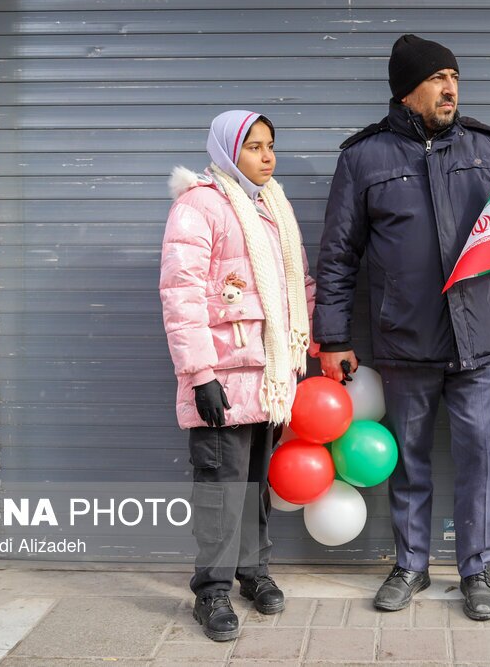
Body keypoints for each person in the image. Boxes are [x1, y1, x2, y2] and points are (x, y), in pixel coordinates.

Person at [313, 34, 490, 621]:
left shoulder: (487, 150)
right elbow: (338, 255)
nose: (451, 89)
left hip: (480, 337)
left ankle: (478, 568)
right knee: (410, 458)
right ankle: (411, 563)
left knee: (479, 456)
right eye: (438, 78)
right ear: (407, 90)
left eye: (455, 77)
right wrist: (335, 337)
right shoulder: (363, 158)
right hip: (404, 340)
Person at [159, 110, 316, 641]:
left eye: (271, 145)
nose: (267, 156)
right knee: (220, 490)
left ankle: (253, 573)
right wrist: (199, 373)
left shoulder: (272, 207)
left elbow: (299, 285)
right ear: (228, 150)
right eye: (254, 146)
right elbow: (181, 295)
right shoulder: (200, 205)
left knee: (254, 487)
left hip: (269, 377)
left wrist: (317, 344)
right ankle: (212, 592)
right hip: (223, 377)